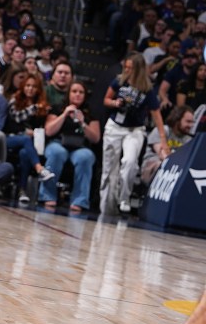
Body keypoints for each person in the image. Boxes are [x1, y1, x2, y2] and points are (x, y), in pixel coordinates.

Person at [101, 53, 168, 215]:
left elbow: (156, 114)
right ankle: (106, 207)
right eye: (126, 67)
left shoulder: (147, 88)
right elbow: (106, 100)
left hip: (135, 129)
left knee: (130, 162)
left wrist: (163, 139)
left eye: (131, 68)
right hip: (115, 127)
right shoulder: (119, 81)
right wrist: (115, 102)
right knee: (109, 169)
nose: (127, 70)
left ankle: (124, 197)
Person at [40, 80, 100, 212]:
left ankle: (80, 200)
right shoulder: (57, 108)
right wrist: (64, 114)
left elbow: (95, 138)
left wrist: (83, 123)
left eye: (81, 92)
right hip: (58, 143)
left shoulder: (90, 112)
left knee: (86, 157)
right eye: (74, 91)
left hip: (80, 146)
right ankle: (47, 195)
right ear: (68, 94)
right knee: (56, 153)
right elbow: (49, 131)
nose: (77, 95)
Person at [4, 73, 56, 204]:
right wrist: (34, 109)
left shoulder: (41, 105)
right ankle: (40, 169)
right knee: (26, 139)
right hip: (10, 138)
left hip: (29, 146)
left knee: (24, 153)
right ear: (22, 86)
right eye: (27, 85)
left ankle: (22, 190)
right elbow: (15, 118)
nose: (30, 89)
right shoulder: (15, 99)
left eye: (34, 86)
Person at [140, 104, 196, 185]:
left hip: (175, 169)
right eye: (188, 122)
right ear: (177, 120)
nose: (191, 126)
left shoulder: (189, 140)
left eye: (192, 122)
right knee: (162, 165)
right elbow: (162, 155)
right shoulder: (162, 131)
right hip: (151, 167)